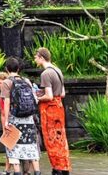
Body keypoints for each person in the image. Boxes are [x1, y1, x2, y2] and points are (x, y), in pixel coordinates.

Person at [0, 57, 41, 175]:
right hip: (29, 119)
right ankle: (37, 172)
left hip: (15, 119)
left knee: (13, 147)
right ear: (18, 69)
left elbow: (6, 102)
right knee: (31, 146)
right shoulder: (27, 81)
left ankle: (17, 172)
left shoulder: (7, 83)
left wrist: (6, 121)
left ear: (7, 69)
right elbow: (34, 99)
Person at [34, 47, 71, 175]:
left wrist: (37, 97)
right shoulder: (58, 70)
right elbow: (62, 93)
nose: (35, 59)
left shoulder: (45, 73)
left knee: (51, 139)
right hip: (59, 107)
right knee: (61, 139)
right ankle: (64, 167)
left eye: (36, 57)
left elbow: (49, 96)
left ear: (41, 57)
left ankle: (57, 168)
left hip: (49, 109)